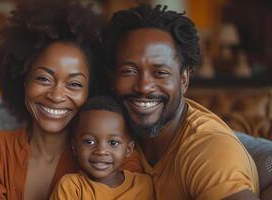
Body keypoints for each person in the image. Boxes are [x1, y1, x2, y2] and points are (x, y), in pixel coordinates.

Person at [0, 1, 107, 199]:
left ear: (90, 92)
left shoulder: (107, 156)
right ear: (24, 80)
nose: (56, 96)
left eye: (74, 84)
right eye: (44, 78)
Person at [103, 4, 260, 200]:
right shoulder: (109, 128)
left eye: (160, 73)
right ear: (112, 79)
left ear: (183, 80)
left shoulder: (208, 150)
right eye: (129, 71)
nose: (144, 86)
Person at [50, 96, 153, 200]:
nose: (101, 151)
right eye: (89, 141)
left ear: (128, 149)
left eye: (113, 143)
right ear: (75, 147)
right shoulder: (71, 187)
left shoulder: (142, 185)